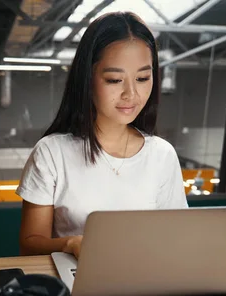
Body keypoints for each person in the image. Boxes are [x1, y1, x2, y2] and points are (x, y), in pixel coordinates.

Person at [16, 11, 188, 259]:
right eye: (115, 79)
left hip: (146, 282)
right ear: (87, 79)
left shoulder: (162, 155)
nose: (131, 93)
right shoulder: (52, 152)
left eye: (142, 78)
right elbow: (29, 245)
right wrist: (71, 244)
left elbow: (178, 237)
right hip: (76, 282)